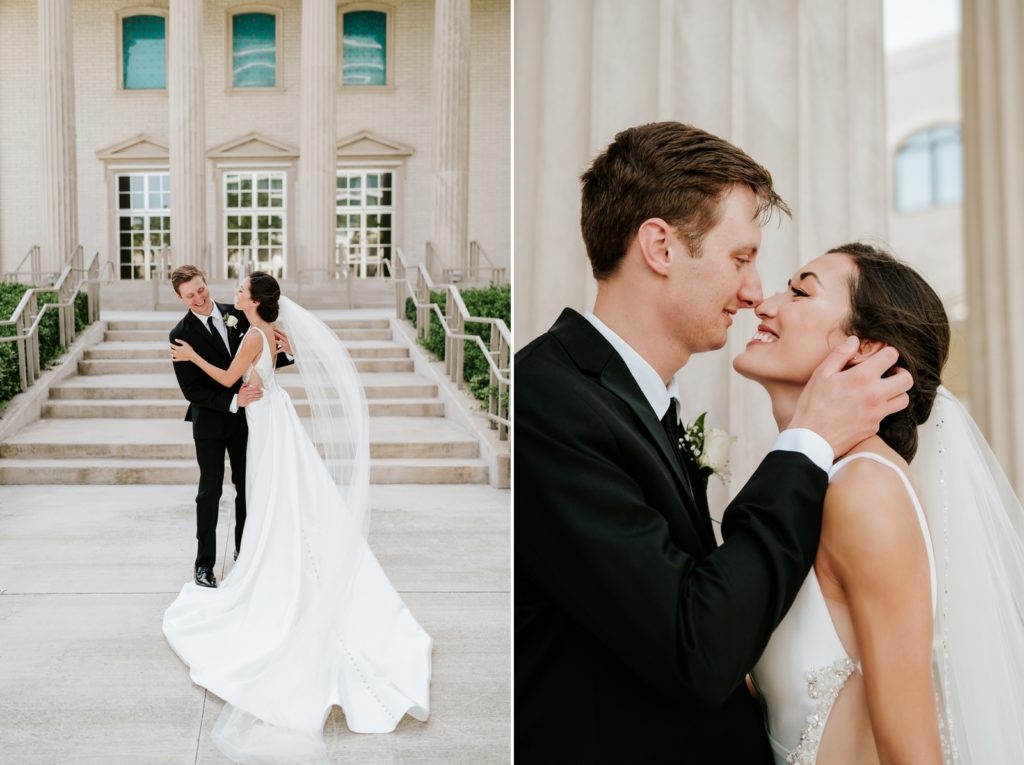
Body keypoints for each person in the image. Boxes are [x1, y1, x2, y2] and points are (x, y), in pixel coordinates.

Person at [514, 121, 913, 763]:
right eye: (742, 258)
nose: (755, 292)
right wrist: (807, 442)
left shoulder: (637, 402)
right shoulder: (547, 401)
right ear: (661, 247)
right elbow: (694, 646)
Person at [738, 243, 1024, 765]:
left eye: (800, 291)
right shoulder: (812, 486)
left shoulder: (865, 491)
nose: (765, 303)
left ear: (865, 350)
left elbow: (911, 752)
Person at [162, 272, 432, 763]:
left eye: (231, 289)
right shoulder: (235, 327)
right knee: (238, 494)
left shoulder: (246, 326)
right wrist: (253, 360)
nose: (219, 294)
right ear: (182, 298)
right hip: (246, 416)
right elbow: (228, 379)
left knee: (265, 497)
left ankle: (267, 565)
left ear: (252, 300)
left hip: (260, 419)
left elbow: (236, 371)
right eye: (194, 293)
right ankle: (230, 561)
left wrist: (209, 357)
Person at [168, 265, 292, 588]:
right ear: (180, 298)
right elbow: (191, 391)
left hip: (244, 422)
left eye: (200, 290)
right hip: (210, 421)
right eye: (189, 295)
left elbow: (262, 354)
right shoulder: (180, 336)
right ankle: (204, 565)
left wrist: (287, 355)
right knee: (209, 492)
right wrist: (233, 400)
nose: (198, 298)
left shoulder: (236, 313)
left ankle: (244, 553)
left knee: (246, 489)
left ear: (206, 283)